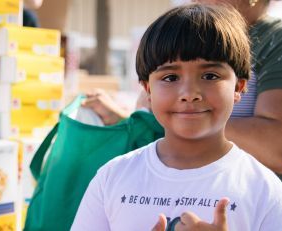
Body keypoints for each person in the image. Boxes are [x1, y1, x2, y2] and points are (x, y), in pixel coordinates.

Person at [72, 4, 282, 230]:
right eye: (171, 78)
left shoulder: (264, 190)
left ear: (239, 87)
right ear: (148, 90)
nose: (190, 94)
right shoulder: (112, 178)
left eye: (210, 75)